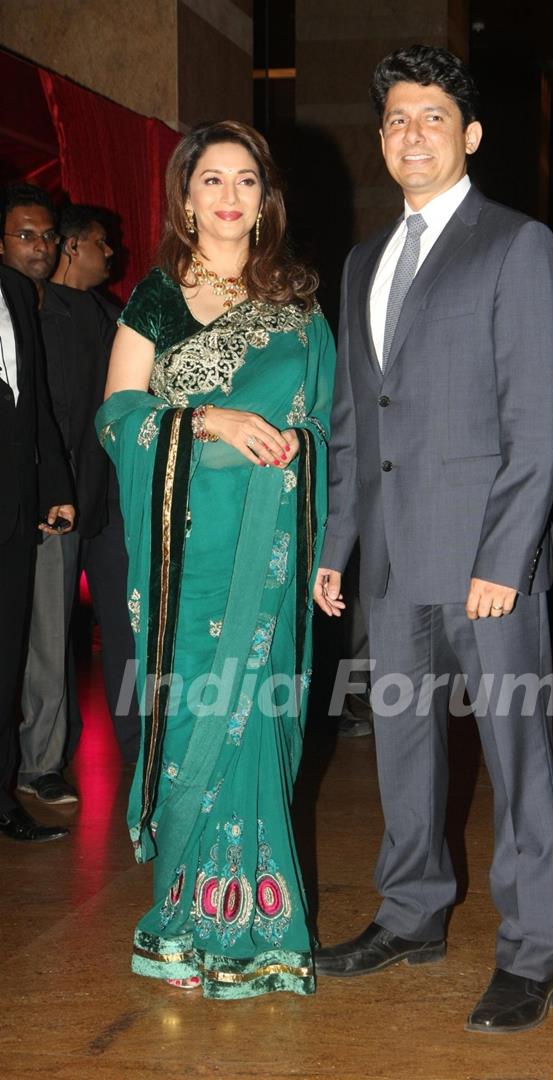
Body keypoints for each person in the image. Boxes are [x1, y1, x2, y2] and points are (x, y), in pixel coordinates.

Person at [313, 46, 553, 1034]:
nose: (410, 134)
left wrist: (504, 561)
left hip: (486, 567)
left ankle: (532, 950)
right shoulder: (363, 261)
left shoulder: (517, 245)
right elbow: (353, 420)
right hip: (392, 561)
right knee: (402, 750)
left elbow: (538, 420)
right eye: (394, 121)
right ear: (381, 141)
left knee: (517, 755)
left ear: (468, 135)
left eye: (431, 117)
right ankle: (412, 914)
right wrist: (339, 544)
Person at [97, 120, 334, 998]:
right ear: (185, 197)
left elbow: (330, 428)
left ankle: (262, 934)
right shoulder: (155, 301)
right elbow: (118, 417)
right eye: (211, 181)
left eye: (245, 180)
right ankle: (183, 929)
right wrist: (207, 421)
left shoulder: (300, 307)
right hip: (183, 555)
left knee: (255, 723)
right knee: (195, 719)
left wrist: (321, 543)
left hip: (267, 556)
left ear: (264, 198)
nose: (229, 197)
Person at [0, 184, 113, 803]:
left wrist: (68, 495)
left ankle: (41, 763)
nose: (39, 246)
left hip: (54, 505)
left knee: (48, 638)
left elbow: (86, 415)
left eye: (46, 235)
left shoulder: (77, 312)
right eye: (25, 235)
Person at [52, 202, 140, 764]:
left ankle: (138, 747)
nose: (111, 253)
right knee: (49, 637)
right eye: (101, 242)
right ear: (72, 246)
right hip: (52, 504)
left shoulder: (117, 316)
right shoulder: (28, 310)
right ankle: (47, 759)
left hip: (110, 499)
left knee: (127, 626)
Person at [0, 261, 75, 841]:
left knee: (7, 666)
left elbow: (34, 399)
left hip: (14, 511)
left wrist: (55, 487)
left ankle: (3, 801)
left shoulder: (15, 289)